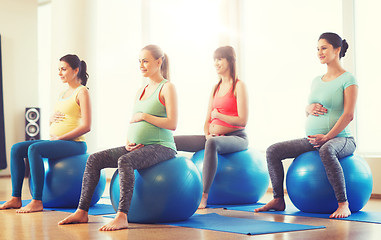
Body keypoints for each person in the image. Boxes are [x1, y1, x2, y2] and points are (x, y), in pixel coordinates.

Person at [58, 45, 178, 231]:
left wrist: (145, 117)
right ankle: (82, 211)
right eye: (139, 61)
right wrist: (128, 141)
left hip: (162, 147)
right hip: (137, 146)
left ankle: (122, 216)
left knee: (125, 162)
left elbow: (172, 123)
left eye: (145, 61)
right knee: (94, 159)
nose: (141, 65)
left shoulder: (167, 87)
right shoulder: (141, 90)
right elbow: (134, 122)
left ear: (159, 61)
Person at [255, 32, 358, 218]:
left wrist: (327, 137)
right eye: (317, 49)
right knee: (273, 151)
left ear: (337, 49)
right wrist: (308, 108)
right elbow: (311, 110)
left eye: (324, 48)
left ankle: (343, 204)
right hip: (313, 139)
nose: (319, 52)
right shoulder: (316, 81)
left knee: (327, 150)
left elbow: (349, 115)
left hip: (342, 139)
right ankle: (278, 199)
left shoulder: (348, 79)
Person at [0, 54, 91, 213]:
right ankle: (16, 198)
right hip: (58, 141)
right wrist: (50, 120)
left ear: (76, 70)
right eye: (58, 69)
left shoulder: (82, 92)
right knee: (16, 148)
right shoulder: (63, 94)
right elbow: (64, 117)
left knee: (34, 149)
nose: (60, 73)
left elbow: (86, 126)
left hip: (75, 144)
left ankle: (37, 200)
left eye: (63, 69)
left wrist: (60, 138)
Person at [174, 46, 249, 209]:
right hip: (214, 138)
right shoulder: (215, 88)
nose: (216, 63)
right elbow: (207, 119)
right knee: (174, 141)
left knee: (212, 144)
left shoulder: (238, 86)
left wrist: (219, 118)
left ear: (230, 61)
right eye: (215, 59)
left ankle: (204, 195)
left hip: (237, 137)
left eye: (220, 59)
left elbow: (242, 121)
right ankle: (173, 186)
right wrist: (208, 134)